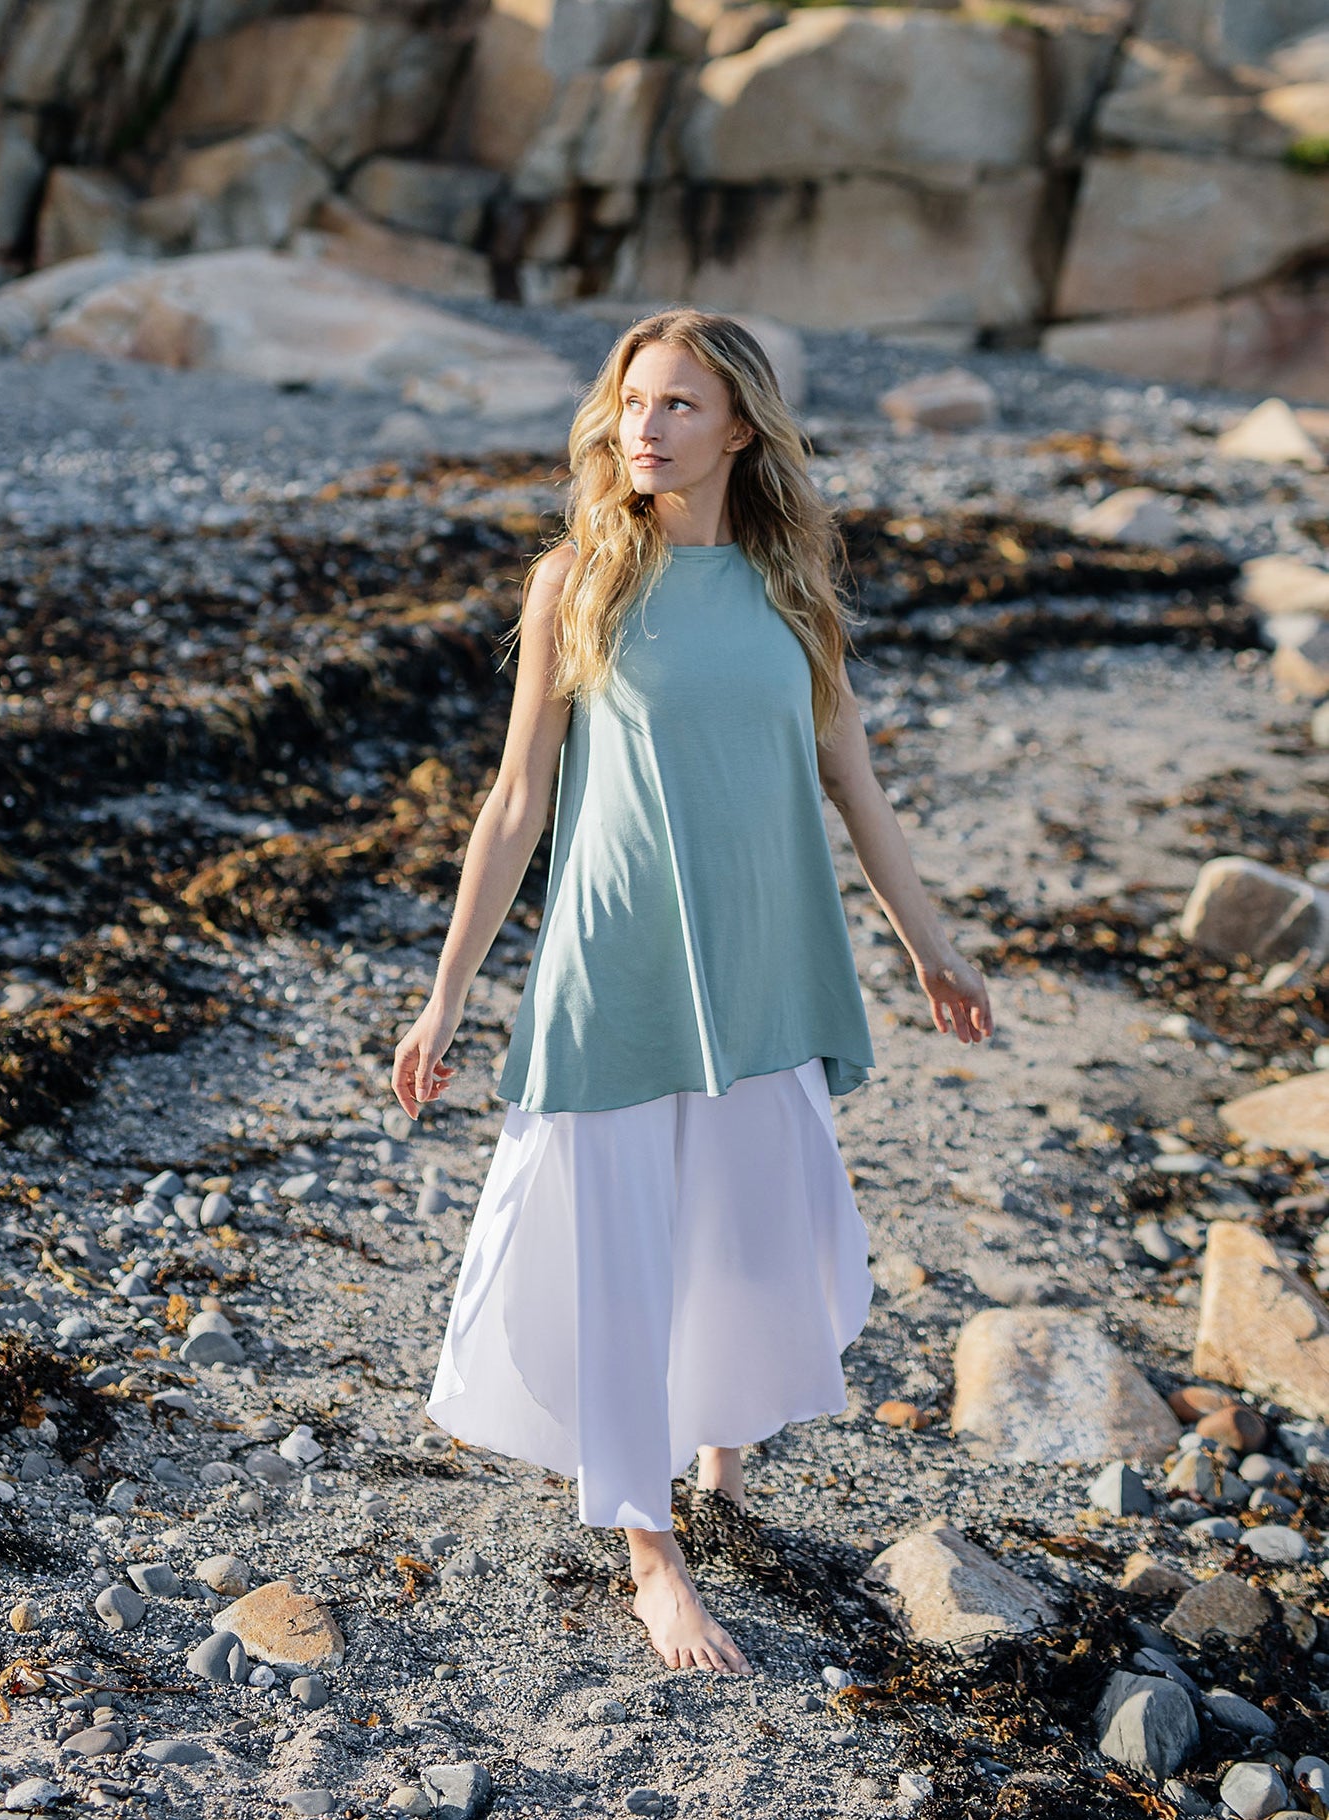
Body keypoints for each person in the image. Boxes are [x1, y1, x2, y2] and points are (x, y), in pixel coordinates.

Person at [391, 308, 993, 1678]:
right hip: (617, 963)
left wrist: (930, 945)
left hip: (766, 956)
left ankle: (718, 1460)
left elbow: (855, 787)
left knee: (753, 1232)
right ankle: (648, 1551)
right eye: (630, 403)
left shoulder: (795, 594)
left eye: (674, 406)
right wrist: (445, 1000)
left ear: (740, 430)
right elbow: (514, 803)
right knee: (620, 1250)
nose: (642, 429)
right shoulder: (579, 582)